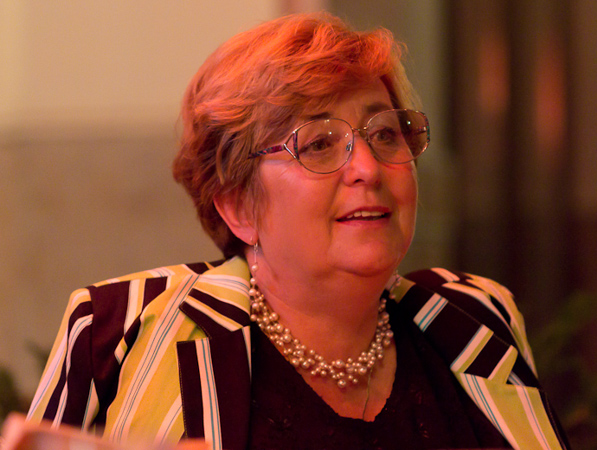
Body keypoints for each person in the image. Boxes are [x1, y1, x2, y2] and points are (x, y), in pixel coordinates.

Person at [26, 12, 569, 450]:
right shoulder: (119, 331)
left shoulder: (475, 317)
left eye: (385, 133)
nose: (368, 168)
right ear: (238, 205)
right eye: (318, 144)